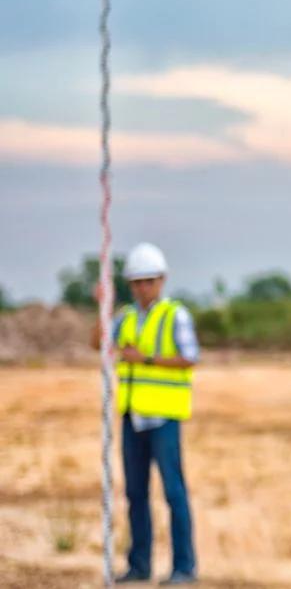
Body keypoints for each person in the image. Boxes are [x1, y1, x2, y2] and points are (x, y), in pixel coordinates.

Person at [91, 242, 200, 585]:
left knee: (173, 492)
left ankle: (184, 568)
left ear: (162, 280)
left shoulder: (174, 315)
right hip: (132, 416)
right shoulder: (123, 316)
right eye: (136, 282)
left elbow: (190, 356)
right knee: (135, 493)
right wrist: (101, 308)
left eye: (148, 281)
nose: (142, 287)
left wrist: (147, 360)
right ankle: (139, 565)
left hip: (164, 418)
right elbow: (99, 344)